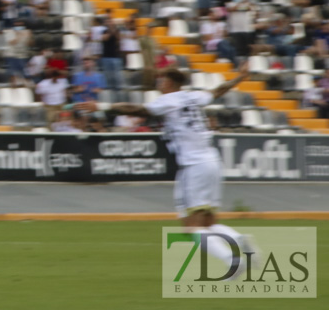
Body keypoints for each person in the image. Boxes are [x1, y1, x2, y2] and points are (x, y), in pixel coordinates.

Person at [77, 64, 258, 275]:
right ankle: (237, 239)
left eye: (161, 80)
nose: (159, 83)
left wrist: (101, 107)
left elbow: (137, 110)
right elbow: (219, 90)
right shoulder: (194, 97)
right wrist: (239, 78)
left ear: (170, 82)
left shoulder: (168, 101)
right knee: (208, 222)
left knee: (191, 227)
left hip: (194, 165)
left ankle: (231, 261)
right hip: (211, 160)